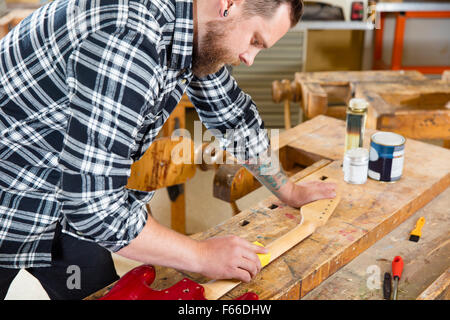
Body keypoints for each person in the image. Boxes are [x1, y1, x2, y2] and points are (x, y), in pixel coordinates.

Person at [0, 0, 336, 299]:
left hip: (60, 200)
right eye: (255, 40)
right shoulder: (128, 35)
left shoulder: (191, 28)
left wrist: (289, 190)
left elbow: (235, 119)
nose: (249, 58)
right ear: (229, 4)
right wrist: (201, 255)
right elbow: (94, 207)